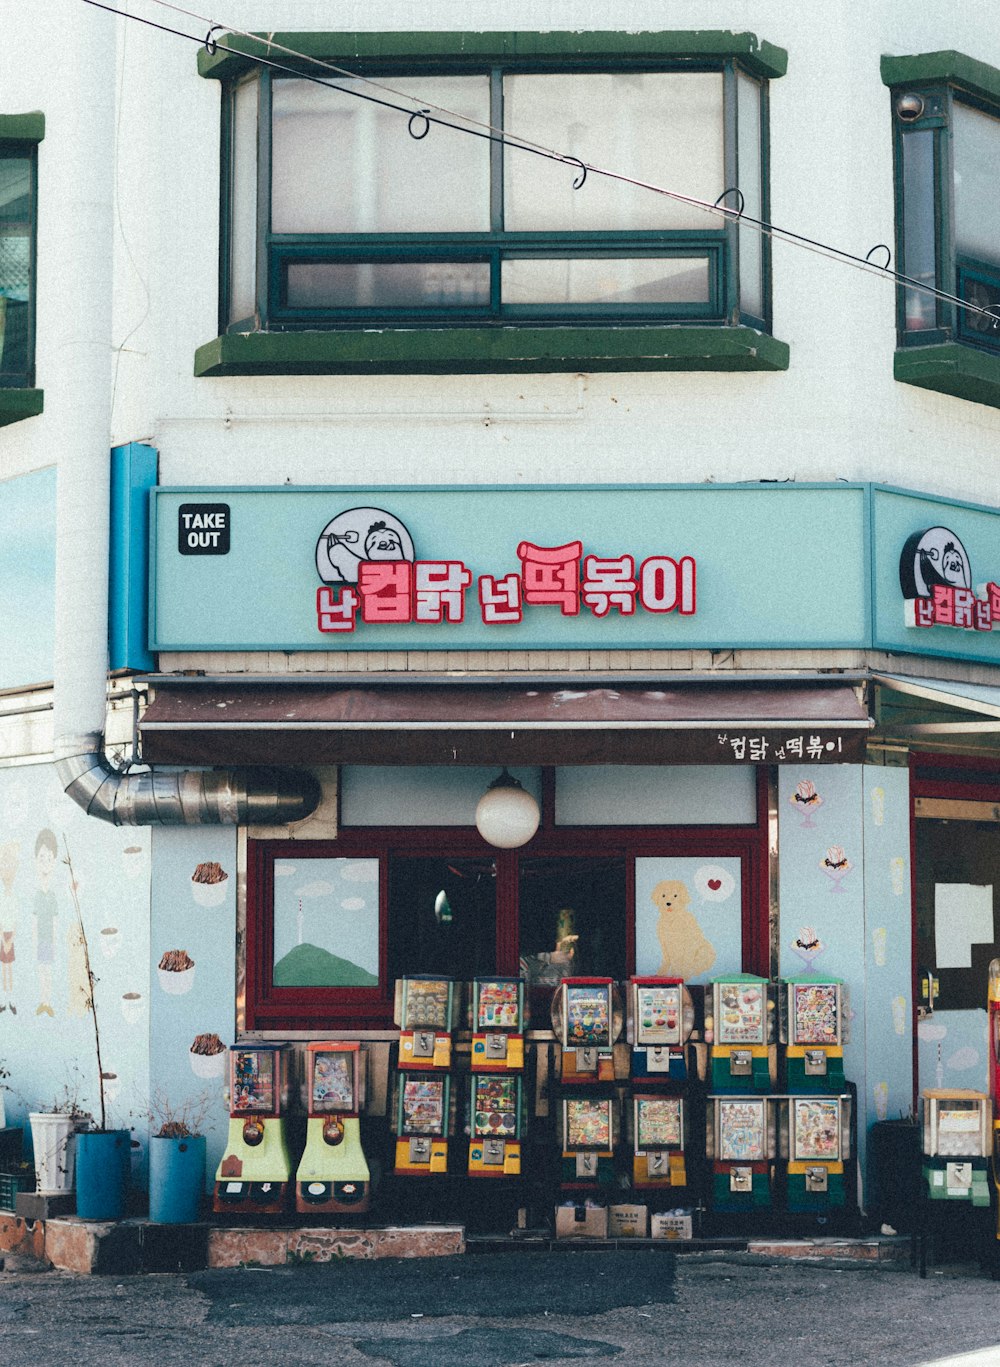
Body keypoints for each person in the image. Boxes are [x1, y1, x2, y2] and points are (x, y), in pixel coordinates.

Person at [0, 840, 19, 1013]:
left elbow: (14, 920)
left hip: (9, 936)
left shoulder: (12, 897)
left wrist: (10, 939)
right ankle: (4, 1001)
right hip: (3, 936)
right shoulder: (3, 897)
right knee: (4, 969)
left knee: (9, 970)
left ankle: (10, 999)